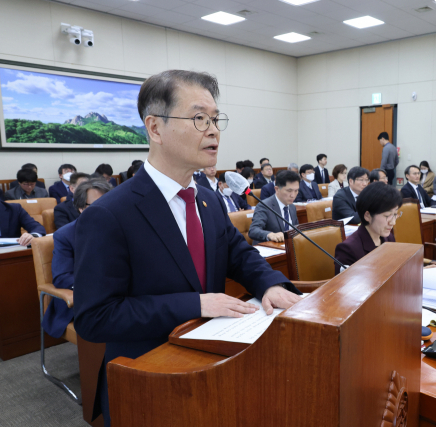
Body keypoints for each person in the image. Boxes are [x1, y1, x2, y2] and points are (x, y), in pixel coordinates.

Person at [73, 70, 302, 426]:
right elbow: (94, 317)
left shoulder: (206, 198)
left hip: (213, 363)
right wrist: (194, 304)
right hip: (149, 379)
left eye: (215, 119)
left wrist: (270, 284)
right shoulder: (110, 214)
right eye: (198, 118)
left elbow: (238, 255)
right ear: (155, 128)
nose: (213, 130)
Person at [42, 178, 111, 339]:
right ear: (80, 208)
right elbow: (62, 277)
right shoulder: (65, 235)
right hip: (86, 297)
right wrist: (101, 285)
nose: (105, 209)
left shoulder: (121, 226)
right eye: (96, 205)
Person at [334, 182, 400, 274]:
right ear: (368, 216)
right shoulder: (348, 249)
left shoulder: (389, 237)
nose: (393, 222)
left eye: (395, 214)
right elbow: (343, 286)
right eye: (387, 215)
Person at [249, 170, 300, 243]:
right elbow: (253, 230)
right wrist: (270, 235)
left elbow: (295, 230)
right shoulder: (264, 205)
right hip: (270, 249)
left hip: (288, 247)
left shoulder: (292, 207)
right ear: (277, 189)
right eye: (289, 191)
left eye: (296, 191)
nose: (293, 195)